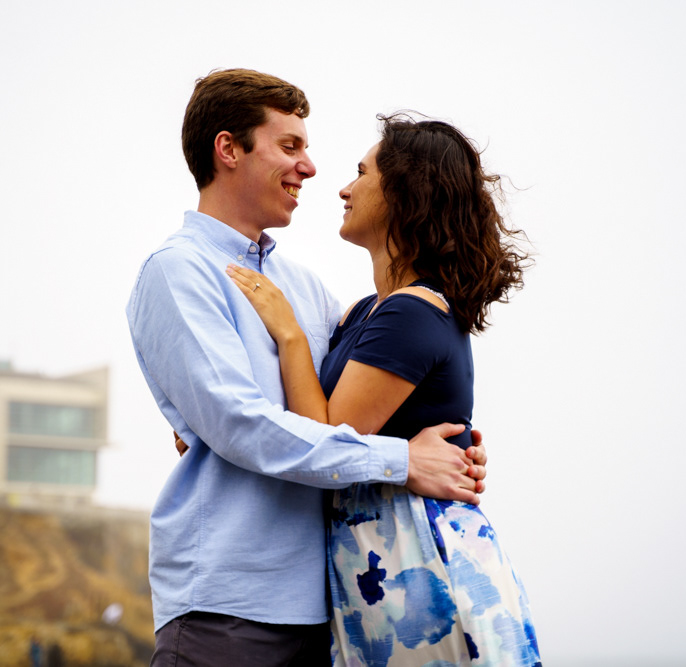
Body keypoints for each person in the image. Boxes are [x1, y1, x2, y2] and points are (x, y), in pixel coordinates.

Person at [126, 69, 488, 666]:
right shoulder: (178, 270)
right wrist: (404, 461)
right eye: (290, 146)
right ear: (228, 149)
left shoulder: (306, 288)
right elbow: (242, 426)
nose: (311, 168)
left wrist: (450, 449)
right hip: (229, 606)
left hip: (332, 611)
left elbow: (341, 408)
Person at [226, 114, 541, 665]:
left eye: (361, 172)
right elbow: (296, 410)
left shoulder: (410, 312)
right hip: (383, 560)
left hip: (417, 562)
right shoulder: (368, 312)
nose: (344, 189)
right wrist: (214, 424)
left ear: (403, 193)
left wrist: (289, 333)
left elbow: (325, 437)